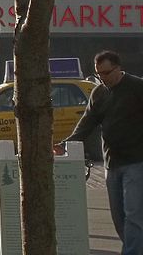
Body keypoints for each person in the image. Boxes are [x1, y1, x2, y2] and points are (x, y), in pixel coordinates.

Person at [57, 50, 143, 255]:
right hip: (111, 163)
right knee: (118, 216)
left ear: (118, 68)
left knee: (134, 214)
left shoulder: (137, 87)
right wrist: (66, 144)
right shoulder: (99, 93)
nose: (102, 78)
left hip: (137, 161)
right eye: (98, 74)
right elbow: (87, 123)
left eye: (106, 73)